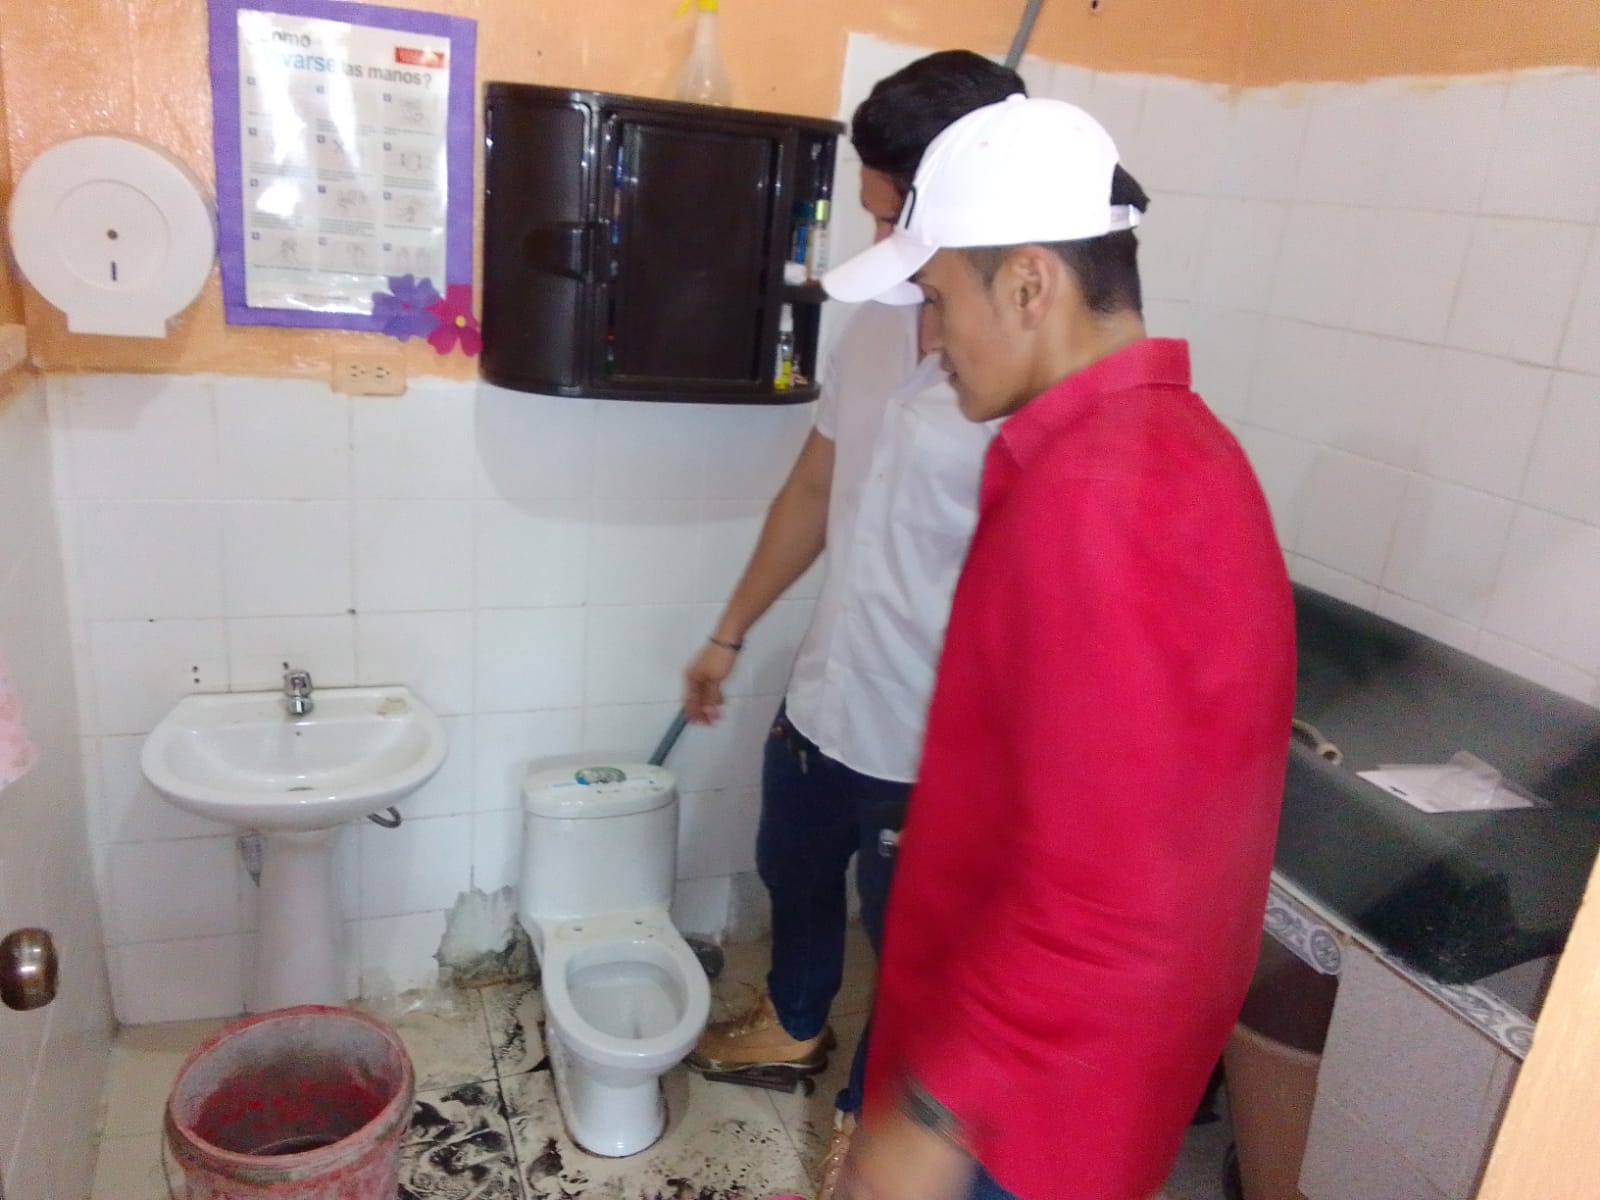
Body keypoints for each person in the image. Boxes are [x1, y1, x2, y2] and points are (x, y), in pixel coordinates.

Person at [820, 96, 1297, 1200]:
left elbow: (1106, 886)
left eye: (939, 300)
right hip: (1065, 1083)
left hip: (1022, 1112)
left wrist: (934, 1118)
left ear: (1029, 285)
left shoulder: (1098, 496)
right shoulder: (1176, 445)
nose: (930, 341)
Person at [680, 50, 1025, 1194]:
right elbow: (817, 484)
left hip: (930, 747)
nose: (880, 239)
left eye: (894, 216)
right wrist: (730, 631)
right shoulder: (881, 321)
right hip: (827, 694)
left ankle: (866, 1120)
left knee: (913, 962)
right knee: (788, 862)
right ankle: (794, 1024)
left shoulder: (1033, 384)